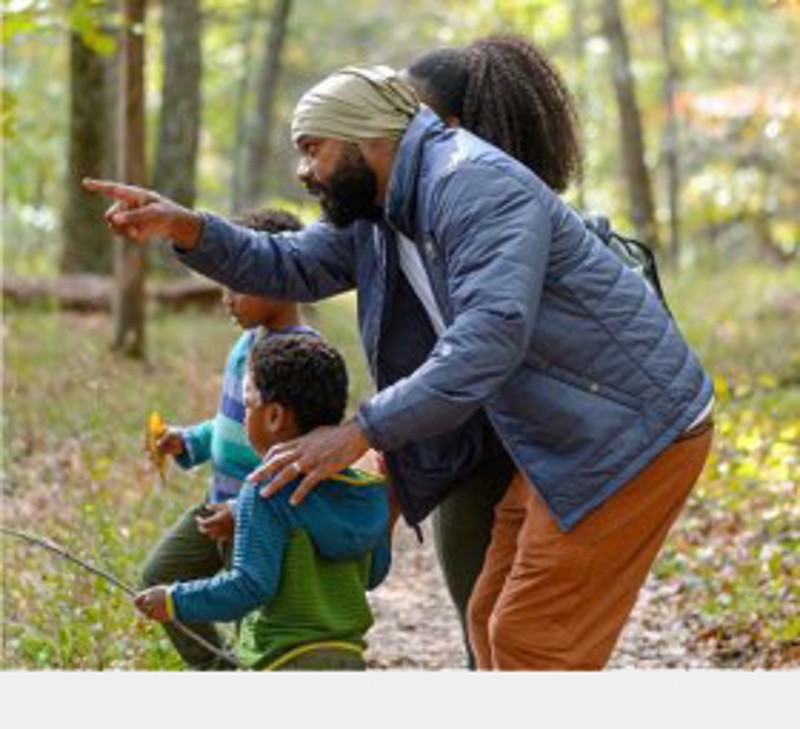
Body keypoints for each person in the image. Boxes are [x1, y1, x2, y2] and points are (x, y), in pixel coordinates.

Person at [86, 62, 714, 670]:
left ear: (368, 140)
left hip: (630, 424)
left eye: (313, 150)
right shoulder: (381, 207)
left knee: (532, 641)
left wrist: (360, 432)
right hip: (565, 428)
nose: (304, 172)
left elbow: (489, 338)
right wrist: (187, 227)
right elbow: (288, 265)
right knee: (490, 618)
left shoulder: (472, 183)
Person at [401, 36, 583, 667]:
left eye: (409, 115)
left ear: (448, 128)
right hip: (506, 439)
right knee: (498, 628)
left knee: (505, 631)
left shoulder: (489, 209)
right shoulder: (423, 213)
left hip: (515, 444)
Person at [135, 333, 390, 670]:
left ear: (273, 417)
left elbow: (250, 586)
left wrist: (172, 601)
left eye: (247, 403)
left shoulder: (265, 491)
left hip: (283, 658)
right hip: (348, 657)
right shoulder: (364, 489)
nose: (242, 416)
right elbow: (373, 573)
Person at [141, 208, 318, 669]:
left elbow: (302, 457)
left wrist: (245, 511)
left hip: (263, 517)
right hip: (215, 501)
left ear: (280, 276)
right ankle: (221, 672)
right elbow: (233, 423)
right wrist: (190, 442)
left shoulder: (300, 357)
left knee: (252, 617)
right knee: (160, 574)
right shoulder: (248, 341)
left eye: (237, 284)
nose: (226, 298)